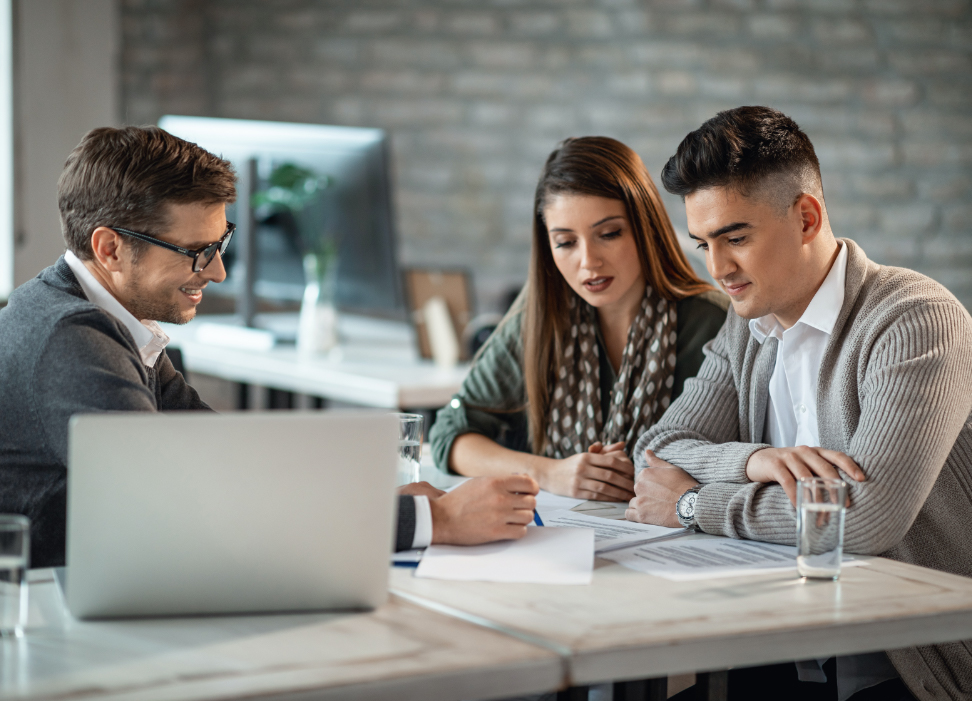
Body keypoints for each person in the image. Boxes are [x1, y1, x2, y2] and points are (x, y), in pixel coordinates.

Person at [0, 126, 537, 568]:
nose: (217, 270)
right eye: (197, 251)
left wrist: (377, 499)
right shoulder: (71, 339)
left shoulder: (108, 318)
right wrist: (432, 523)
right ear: (110, 248)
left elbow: (223, 453)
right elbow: (176, 505)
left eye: (221, 242)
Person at [627, 106, 972, 701]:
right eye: (704, 243)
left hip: (910, 666)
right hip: (778, 651)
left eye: (736, 237)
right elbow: (655, 453)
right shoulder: (747, 328)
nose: (719, 269)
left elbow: (861, 521)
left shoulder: (915, 319)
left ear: (807, 217)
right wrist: (754, 461)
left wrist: (690, 505)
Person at [430, 137, 728, 501]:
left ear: (645, 227)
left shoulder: (712, 323)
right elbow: (450, 435)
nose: (588, 261)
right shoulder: (542, 315)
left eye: (609, 234)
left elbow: (730, 461)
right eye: (566, 242)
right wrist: (550, 472)